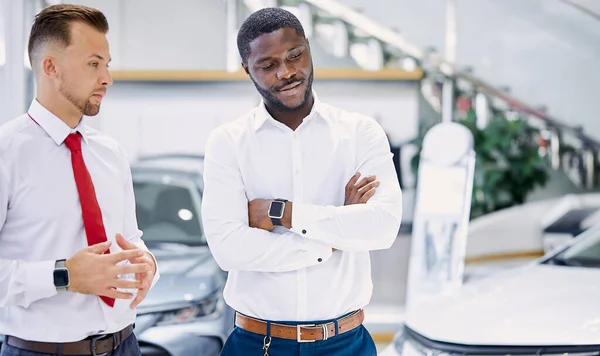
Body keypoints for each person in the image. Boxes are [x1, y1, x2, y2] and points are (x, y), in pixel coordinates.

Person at [201, 7, 402, 356]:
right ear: (247, 69)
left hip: (347, 343)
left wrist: (283, 213)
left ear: (309, 47)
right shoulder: (228, 142)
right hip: (258, 344)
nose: (287, 72)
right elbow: (229, 248)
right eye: (268, 65)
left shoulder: (360, 133)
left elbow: (382, 228)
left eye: (296, 55)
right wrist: (335, 237)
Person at [0, 4, 159, 356]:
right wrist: (62, 276)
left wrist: (148, 263)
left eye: (107, 64)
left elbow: (131, 237)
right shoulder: (6, 153)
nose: (107, 78)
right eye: (93, 63)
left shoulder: (111, 152)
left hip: (125, 344)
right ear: (51, 67)